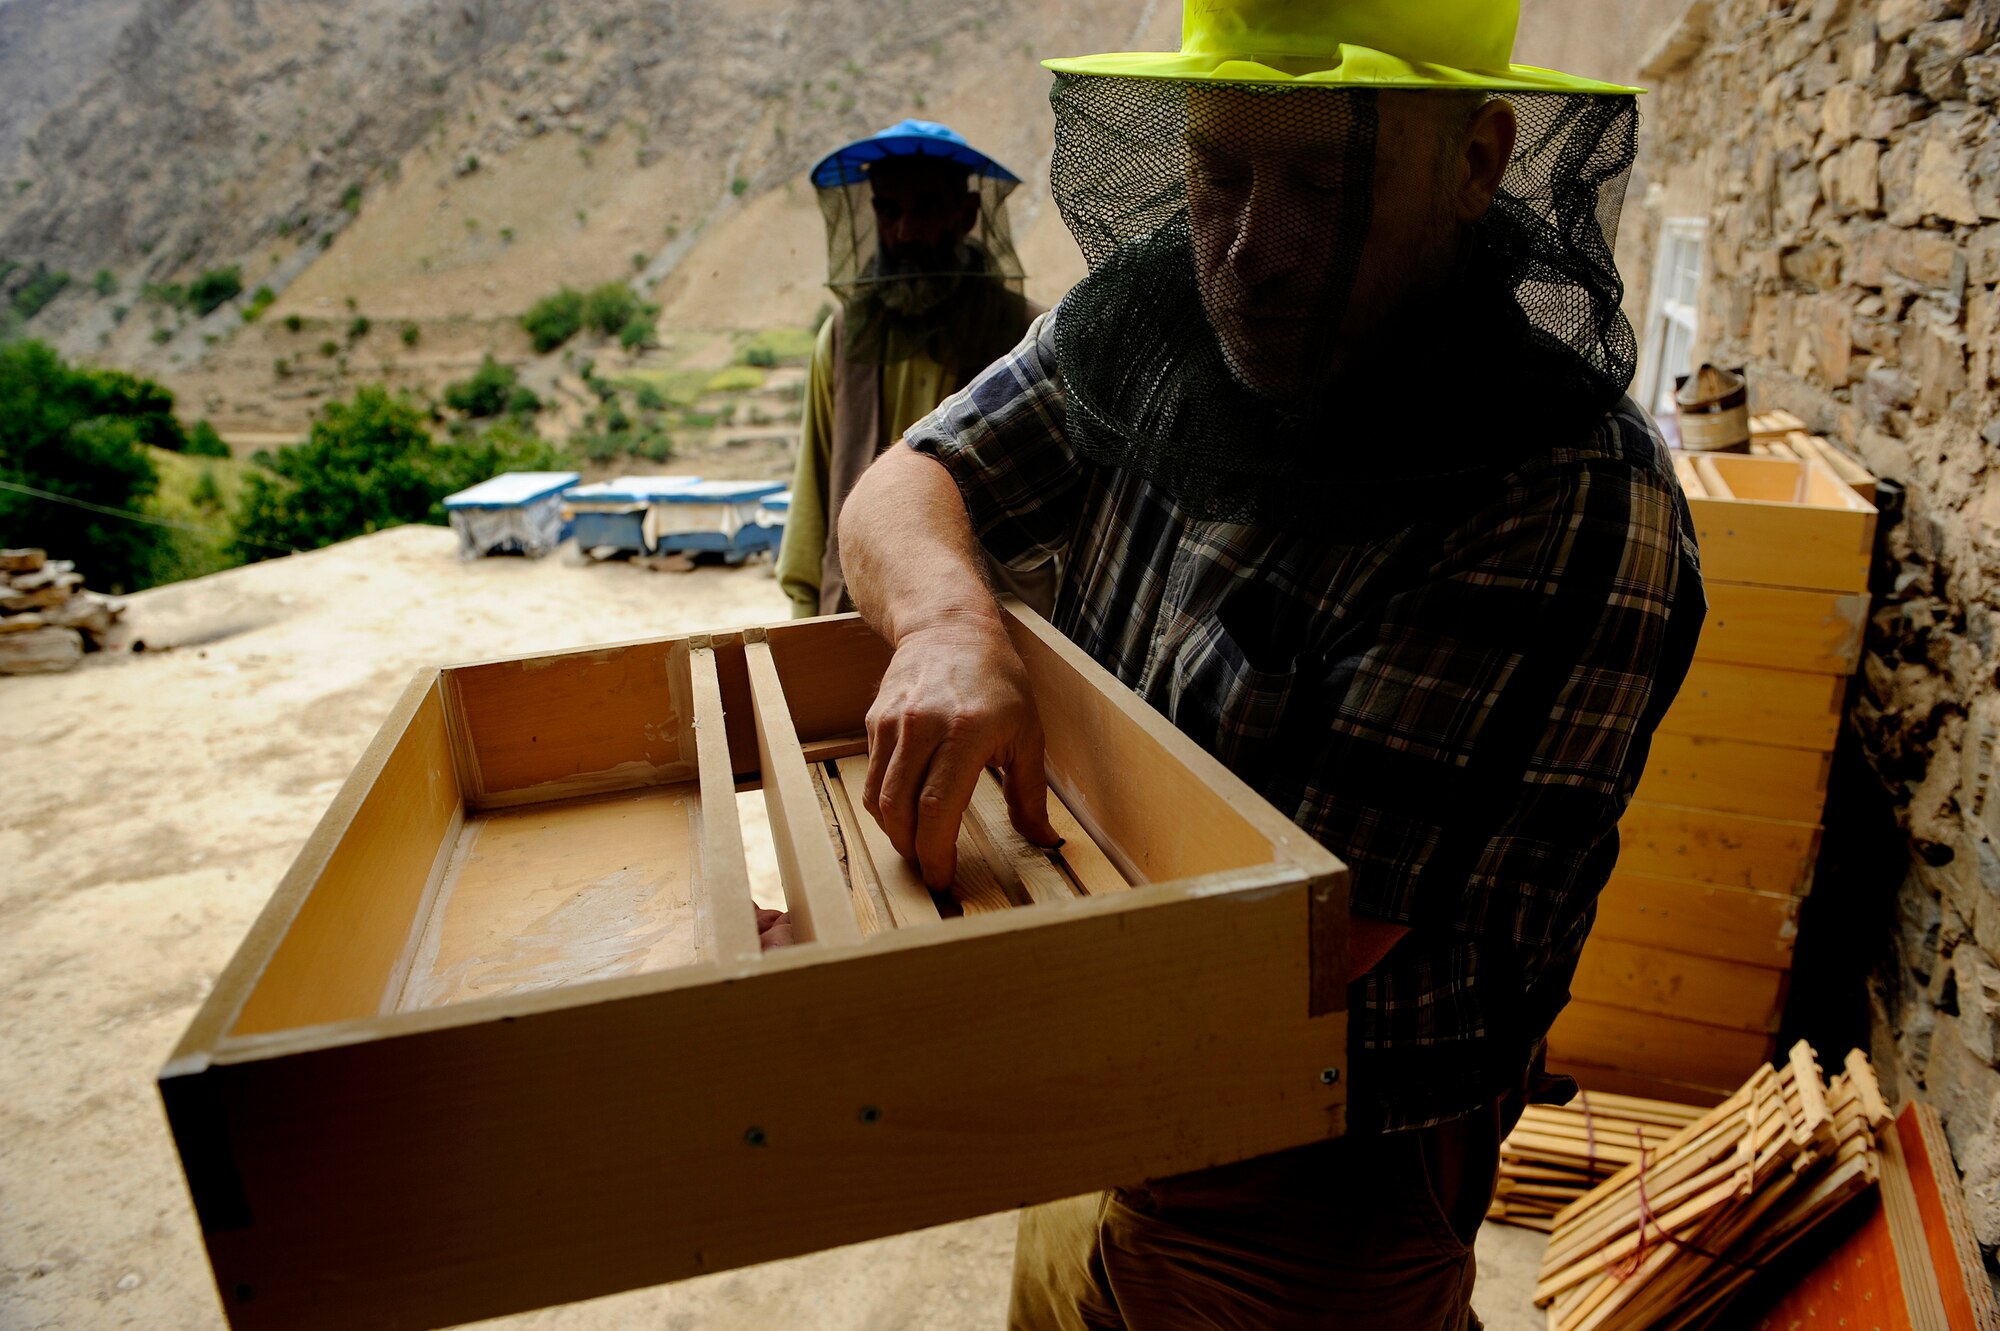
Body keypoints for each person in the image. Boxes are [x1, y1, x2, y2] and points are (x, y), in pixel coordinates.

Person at [836, 1, 1707, 1326]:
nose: (1250, 247)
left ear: (1476, 160)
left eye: (1322, 184)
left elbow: (1305, 943)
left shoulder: (1566, 498)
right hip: (1106, 1066)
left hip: (1320, 1185)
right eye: (1217, 172)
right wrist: (955, 623)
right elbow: (906, 485)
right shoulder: (1151, 327)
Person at [775, 120, 1052, 619]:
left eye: (924, 208)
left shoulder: (1030, 333)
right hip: (852, 620)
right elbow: (814, 493)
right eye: (888, 209)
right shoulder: (841, 338)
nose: (903, 232)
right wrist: (803, 618)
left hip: (991, 631)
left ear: (966, 214)